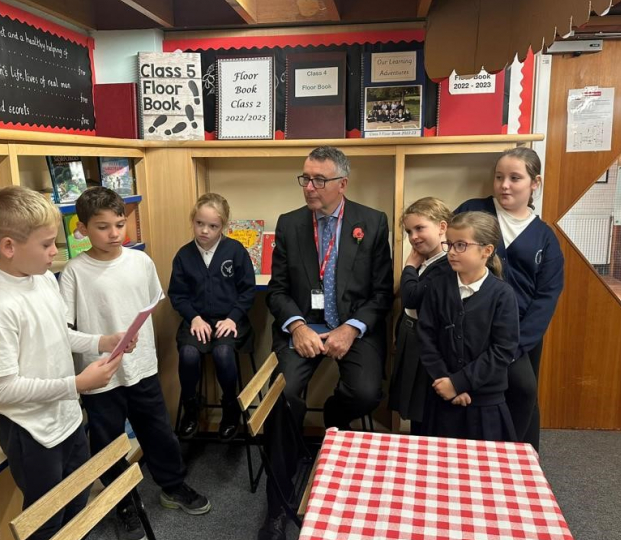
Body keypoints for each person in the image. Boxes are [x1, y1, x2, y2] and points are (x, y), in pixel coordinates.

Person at [0, 186, 133, 540]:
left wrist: (102, 341)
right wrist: (77, 384)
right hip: (31, 430)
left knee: (76, 501)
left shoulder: (41, 279)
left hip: (66, 416)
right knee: (46, 519)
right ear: (9, 247)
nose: (55, 251)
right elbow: (2, 390)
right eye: (46, 244)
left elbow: (59, 335)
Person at [59, 187, 211, 540]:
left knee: (158, 431)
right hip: (100, 375)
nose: (114, 234)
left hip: (141, 368)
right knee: (108, 441)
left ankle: (173, 485)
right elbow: (65, 326)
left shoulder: (140, 261)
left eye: (119, 224)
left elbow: (149, 304)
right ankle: (121, 499)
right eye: (102, 227)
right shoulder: (74, 272)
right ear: (81, 229)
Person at [259, 146, 394, 540]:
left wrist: (351, 328)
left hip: (350, 326)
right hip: (304, 327)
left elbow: (382, 293)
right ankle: (279, 506)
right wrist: (298, 326)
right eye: (306, 178)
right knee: (282, 400)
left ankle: (334, 419)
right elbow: (278, 290)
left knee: (367, 392)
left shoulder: (372, 222)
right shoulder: (289, 224)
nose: (310, 188)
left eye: (319, 180)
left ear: (342, 184)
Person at [454, 147, 564, 450]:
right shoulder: (473, 211)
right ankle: (473, 454)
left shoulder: (545, 237)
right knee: (477, 391)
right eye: (499, 177)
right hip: (473, 326)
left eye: (515, 178)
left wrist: (515, 345)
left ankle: (520, 458)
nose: (504, 185)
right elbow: (451, 256)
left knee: (524, 391)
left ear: (534, 183)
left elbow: (547, 295)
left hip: (521, 335)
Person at [418, 211, 520, 441]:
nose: (452, 252)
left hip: (485, 403)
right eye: (450, 244)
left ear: (487, 250)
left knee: (485, 470)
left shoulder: (502, 295)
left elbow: (503, 349)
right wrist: (446, 382)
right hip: (441, 396)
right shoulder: (437, 288)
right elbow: (426, 338)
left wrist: (460, 383)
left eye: (461, 245)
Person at [168, 193, 256, 442]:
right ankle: (191, 409)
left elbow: (247, 290)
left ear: (223, 226)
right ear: (193, 221)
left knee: (223, 353)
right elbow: (178, 295)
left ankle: (230, 410)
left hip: (230, 320)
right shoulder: (184, 255)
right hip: (196, 321)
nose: (204, 230)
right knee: (188, 354)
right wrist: (193, 318)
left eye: (213, 226)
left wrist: (233, 318)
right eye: (199, 223)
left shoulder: (235, 251)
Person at [388, 197, 452, 435]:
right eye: (409, 231)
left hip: (428, 347)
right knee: (416, 410)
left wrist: (409, 266)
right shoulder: (428, 262)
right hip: (412, 339)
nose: (413, 236)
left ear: (442, 227)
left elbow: (411, 298)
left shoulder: (446, 264)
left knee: (427, 413)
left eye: (420, 228)